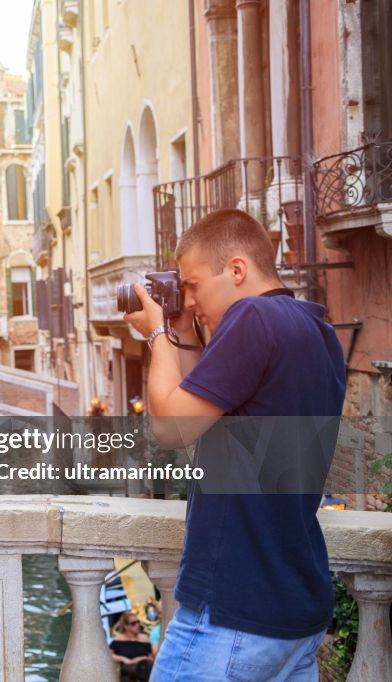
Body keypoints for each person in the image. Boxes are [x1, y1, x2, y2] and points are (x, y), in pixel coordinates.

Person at [123, 209, 346, 681]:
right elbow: (206, 410)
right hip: (295, 613)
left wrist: (158, 334)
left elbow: (171, 429)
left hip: (234, 613)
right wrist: (183, 331)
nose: (187, 298)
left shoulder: (253, 315)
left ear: (237, 270)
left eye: (193, 284)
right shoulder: (315, 330)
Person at [110, 612, 154, 682]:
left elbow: (151, 657)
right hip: (127, 673)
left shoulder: (144, 638)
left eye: (138, 622)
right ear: (126, 626)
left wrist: (141, 658)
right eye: (133, 623)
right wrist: (123, 659)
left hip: (144, 670)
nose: (137, 625)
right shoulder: (118, 639)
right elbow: (110, 656)